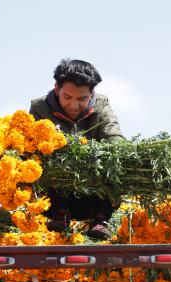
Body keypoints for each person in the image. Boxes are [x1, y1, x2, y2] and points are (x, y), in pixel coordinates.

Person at [30, 59, 124, 239]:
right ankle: (60, 216)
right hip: (56, 194)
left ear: (92, 93)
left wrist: (109, 153)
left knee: (116, 160)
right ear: (57, 89)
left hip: (94, 194)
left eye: (82, 99)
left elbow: (114, 137)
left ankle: (99, 220)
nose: (74, 105)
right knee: (44, 160)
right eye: (67, 97)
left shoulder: (101, 105)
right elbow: (32, 147)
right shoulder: (39, 108)